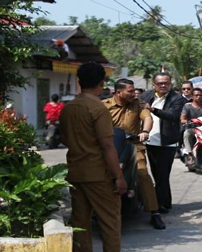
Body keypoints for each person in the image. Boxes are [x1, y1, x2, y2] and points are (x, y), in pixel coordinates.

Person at [59, 62, 127, 252]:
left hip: (75, 172)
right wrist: (119, 176)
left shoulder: (68, 108)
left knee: (80, 223)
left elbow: (65, 140)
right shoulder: (98, 108)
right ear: (101, 83)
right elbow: (107, 146)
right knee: (110, 223)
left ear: (79, 81)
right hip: (99, 174)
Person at [102, 78, 166, 230]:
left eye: (134, 91)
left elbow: (148, 118)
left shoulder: (138, 104)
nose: (134, 94)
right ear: (118, 92)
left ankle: (154, 212)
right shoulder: (104, 106)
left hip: (133, 146)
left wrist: (145, 131)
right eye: (130, 91)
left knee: (143, 174)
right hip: (110, 148)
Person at [140, 72, 186, 213]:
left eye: (166, 83)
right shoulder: (146, 96)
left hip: (167, 142)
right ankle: (158, 202)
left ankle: (161, 204)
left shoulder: (177, 99)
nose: (164, 86)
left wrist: (152, 109)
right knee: (154, 174)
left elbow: (172, 116)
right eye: (160, 83)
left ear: (171, 84)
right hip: (149, 141)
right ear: (154, 85)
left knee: (162, 174)